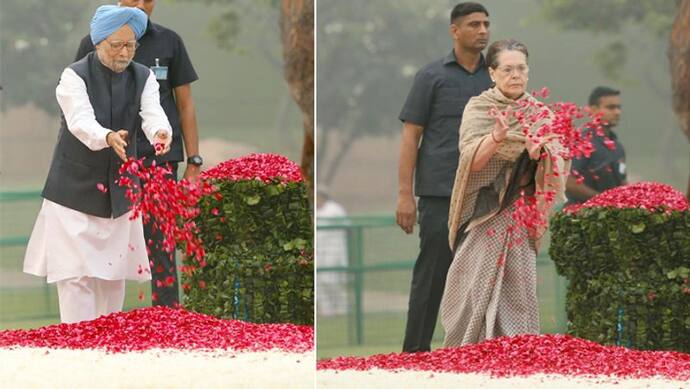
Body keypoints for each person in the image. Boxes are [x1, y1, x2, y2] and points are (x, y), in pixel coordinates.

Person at [23, 5, 173, 324]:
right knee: (75, 276)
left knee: (111, 277)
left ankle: (107, 352)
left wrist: (161, 132)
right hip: (72, 193)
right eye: (116, 45)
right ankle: (77, 348)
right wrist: (106, 137)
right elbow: (80, 120)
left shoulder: (143, 76)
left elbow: (153, 113)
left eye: (130, 45)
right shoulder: (73, 75)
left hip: (120, 194)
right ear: (98, 42)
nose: (124, 52)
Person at [441, 39, 569, 347]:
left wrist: (541, 155)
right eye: (508, 69)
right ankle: (471, 344)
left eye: (521, 68)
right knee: (474, 277)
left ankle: (517, 345)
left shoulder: (539, 113)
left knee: (519, 282)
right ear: (492, 73)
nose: (516, 75)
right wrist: (497, 137)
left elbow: (557, 160)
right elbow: (470, 161)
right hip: (486, 211)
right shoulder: (480, 108)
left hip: (520, 211)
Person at [75, 0, 201, 307]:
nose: (142, 5)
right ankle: (101, 318)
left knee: (161, 241)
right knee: (105, 237)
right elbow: (79, 106)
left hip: (160, 160)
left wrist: (194, 161)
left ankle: (167, 313)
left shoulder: (169, 41)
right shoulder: (92, 43)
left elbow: (185, 105)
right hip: (112, 160)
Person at [396, 2, 491, 353]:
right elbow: (411, 137)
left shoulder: (495, 78)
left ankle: (473, 352)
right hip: (439, 193)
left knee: (481, 279)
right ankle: (414, 353)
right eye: (473, 24)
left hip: (487, 194)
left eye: (485, 24)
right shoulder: (431, 76)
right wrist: (405, 195)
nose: (482, 31)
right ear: (455, 30)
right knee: (432, 274)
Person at [566, 86, 626, 204]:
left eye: (619, 107)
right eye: (611, 107)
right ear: (593, 110)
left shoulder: (618, 147)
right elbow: (568, 182)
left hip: (611, 216)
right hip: (580, 217)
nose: (617, 112)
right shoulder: (582, 142)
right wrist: (602, 200)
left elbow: (622, 181)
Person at [316, 188, 348, 316]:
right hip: (319, 251)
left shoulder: (334, 209)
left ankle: (341, 306)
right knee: (318, 280)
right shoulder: (318, 212)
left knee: (330, 280)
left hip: (334, 250)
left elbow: (346, 226)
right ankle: (327, 310)